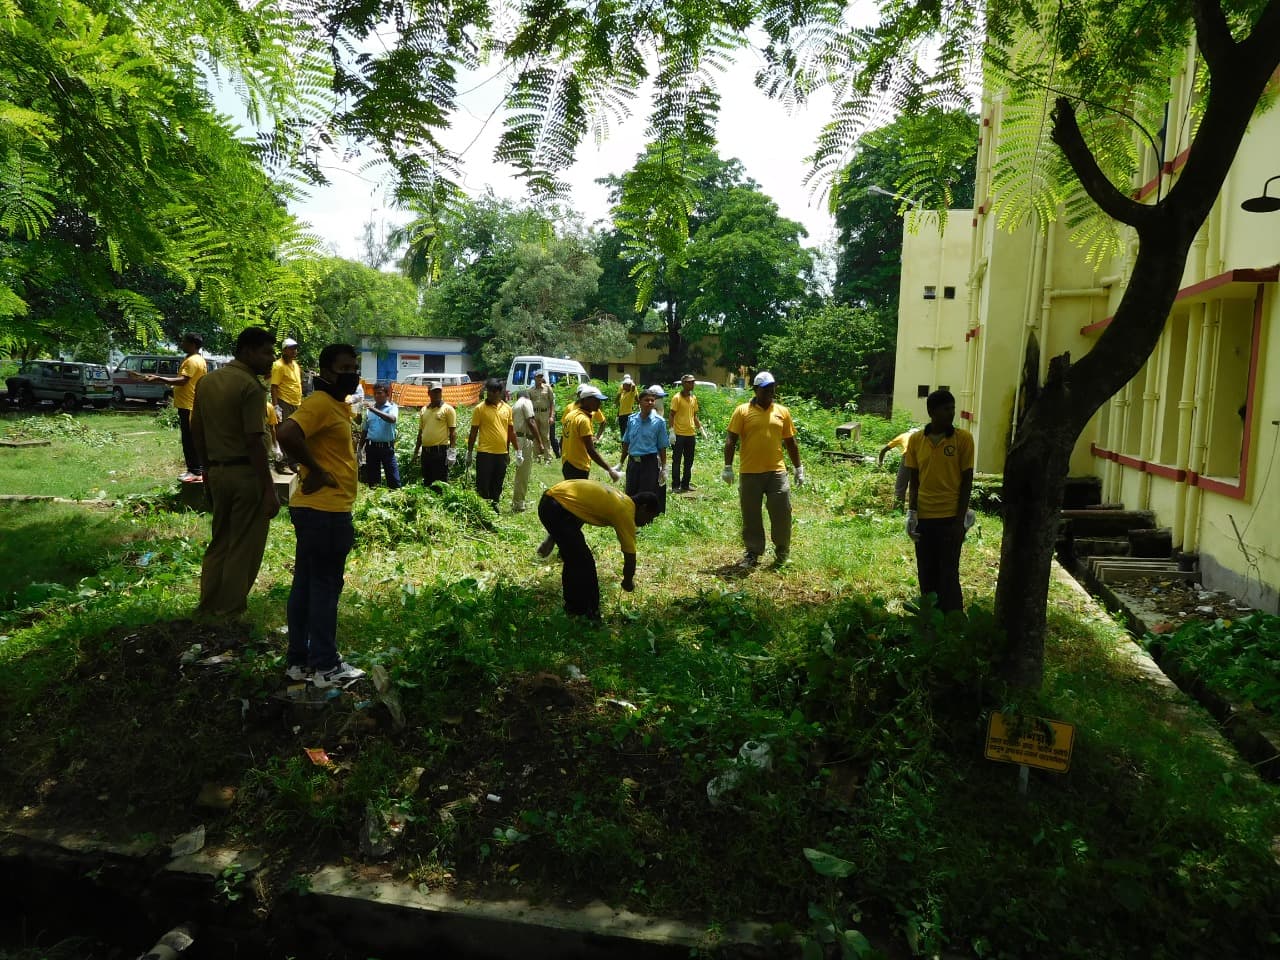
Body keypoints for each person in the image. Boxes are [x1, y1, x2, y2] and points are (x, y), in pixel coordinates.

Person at [275, 343, 367, 688]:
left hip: (317, 510)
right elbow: (286, 432)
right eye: (345, 368)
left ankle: (299, 661)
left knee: (306, 585)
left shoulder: (335, 405)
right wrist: (314, 468)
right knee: (325, 587)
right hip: (325, 512)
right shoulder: (320, 403)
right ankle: (326, 666)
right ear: (326, 372)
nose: (352, 374)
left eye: (354, 367)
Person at [189, 327, 278, 622]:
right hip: (246, 474)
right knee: (243, 545)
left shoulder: (207, 382)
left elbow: (197, 430)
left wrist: (206, 470)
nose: (271, 359)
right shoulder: (251, 387)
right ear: (247, 351)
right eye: (266, 352)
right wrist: (269, 488)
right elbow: (254, 440)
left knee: (220, 541)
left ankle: (207, 605)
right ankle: (228, 611)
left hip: (217, 471)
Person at [537, 479, 660, 620]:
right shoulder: (626, 512)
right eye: (650, 517)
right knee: (582, 562)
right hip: (555, 506)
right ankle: (583, 612)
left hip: (552, 500)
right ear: (643, 508)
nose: (648, 523)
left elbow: (581, 509)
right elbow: (630, 556)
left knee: (576, 558)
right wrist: (628, 581)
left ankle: (578, 609)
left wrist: (552, 538)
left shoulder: (622, 500)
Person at [723, 371, 804, 568]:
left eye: (772, 388)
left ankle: (782, 552)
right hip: (750, 472)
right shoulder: (742, 411)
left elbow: (791, 442)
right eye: (766, 389)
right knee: (751, 514)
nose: (770, 392)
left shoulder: (782, 411)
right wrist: (728, 466)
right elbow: (731, 439)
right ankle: (753, 552)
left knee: (782, 511)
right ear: (755, 390)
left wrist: (798, 468)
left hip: (776, 472)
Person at [904, 389, 974, 614]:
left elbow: (967, 481)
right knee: (926, 572)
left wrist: (960, 520)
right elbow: (914, 479)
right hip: (925, 517)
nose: (951, 413)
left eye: (952, 408)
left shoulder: (963, 439)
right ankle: (929, 619)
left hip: (950, 517)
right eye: (946, 409)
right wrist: (912, 514)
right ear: (931, 412)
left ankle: (953, 620)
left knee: (948, 573)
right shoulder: (916, 440)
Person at [137, 332, 207, 481]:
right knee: (190, 438)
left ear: (192, 344)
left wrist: (158, 378)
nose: (182, 344)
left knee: (189, 439)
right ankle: (195, 470)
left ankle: (195, 472)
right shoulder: (197, 359)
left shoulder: (192, 361)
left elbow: (183, 380)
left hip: (188, 405)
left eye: (184, 342)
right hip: (190, 403)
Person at [467, 378, 517, 512]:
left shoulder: (507, 409)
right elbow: (473, 432)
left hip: (501, 454)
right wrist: (469, 453)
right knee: (483, 483)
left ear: (499, 393)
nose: (489, 394)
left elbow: (509, 432)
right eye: (488, 391)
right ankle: (483, 510)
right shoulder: (479, 408)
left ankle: (494, 507)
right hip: (485, 453)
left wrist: (512, 451)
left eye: (493, 392)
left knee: (497, 483)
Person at [561, 384, 622, 482]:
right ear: (586, 400)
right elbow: (591, 450)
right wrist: (610, 470)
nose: (599, 403)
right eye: (596, 400)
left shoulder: (570, 415)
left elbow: (564, 438)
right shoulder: (583, 420)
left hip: (567, 463)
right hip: (578, 466)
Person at [618, 384, 669, 500]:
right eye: (647, 400)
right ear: (639, 402)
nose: (650, 403)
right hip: (633, 463)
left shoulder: (659, 422)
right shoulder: (632, 420)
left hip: (649, 463)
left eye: (652, 400)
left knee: (645, 496)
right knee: (630, 493)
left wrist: (664, 467)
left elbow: (662, 446)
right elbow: (626, 442)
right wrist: (621, 463)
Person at [411, 381, 456, 485]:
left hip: (440, 452)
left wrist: (452, 451)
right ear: (429, 393)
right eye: (434, 392)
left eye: (438, 392)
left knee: (439, 483)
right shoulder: (424, 410)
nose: (437, 394)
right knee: (427, 481)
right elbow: (421, 432)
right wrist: (416, 452)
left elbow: (453, 433)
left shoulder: (448, 409)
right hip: (426, 452)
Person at [511, 388, 546, 512]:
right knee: (523, 473)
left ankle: (517, 500)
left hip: (516, 438)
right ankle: (519, 503)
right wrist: (540, 442)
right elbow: (531, 422)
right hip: (523, 439)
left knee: (519, 472)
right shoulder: (526, 402)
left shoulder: (515, 405)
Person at [360, 382, 400, 489]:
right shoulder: (369, 411)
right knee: (373, 480)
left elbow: (392, 419)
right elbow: (365, 430)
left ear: (387, 394)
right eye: (375, 393)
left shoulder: (392, 407)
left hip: (387, 448)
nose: (376, 395)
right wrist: (359, 448)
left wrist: (373, 410)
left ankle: (395, 496)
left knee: (393, 479)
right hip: (372, 447)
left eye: (379, 393)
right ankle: (375, 497)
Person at [669, 374, 704, 493]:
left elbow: (694, 415)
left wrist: (701, 429)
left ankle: (685, 484)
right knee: (677, 460)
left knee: (689, 461)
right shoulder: (677, 398)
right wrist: (671, 431)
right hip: (679, 434)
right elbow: (671, 415)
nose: (691, 384)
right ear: (683, 384)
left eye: (693, 382)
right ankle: (675, 485)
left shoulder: (693, 398)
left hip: (691, 434)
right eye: (689, 382)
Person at [878, 427, 920, 507]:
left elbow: (884, 450)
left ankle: (898, 509)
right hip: (920, 459)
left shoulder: (904, 435)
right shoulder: (923, 437)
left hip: (908, 456)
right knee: (915, 486)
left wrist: (880, 463)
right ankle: (913, 510)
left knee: (900, 485)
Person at [270, 337, 303, 421]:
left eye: (295, 348)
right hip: (284, 402)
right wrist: (276, 407)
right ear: (284, 350)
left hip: (296, 403)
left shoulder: (295, 364)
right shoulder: (279, 366)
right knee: (284, 427)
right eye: (291, 349)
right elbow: (274, 387)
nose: (294, 351)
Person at [530, 370, 557, 461]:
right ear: (534, 378)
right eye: (538, 377)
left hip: (545, 414)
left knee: (545, 436)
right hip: (534, 414)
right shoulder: (531, 390)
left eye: (541, 377)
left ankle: (547, 457)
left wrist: (551, 416)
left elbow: (552, 403)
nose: (539, 378)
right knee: (535, 435)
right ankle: (536, 457)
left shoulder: (547, 388)